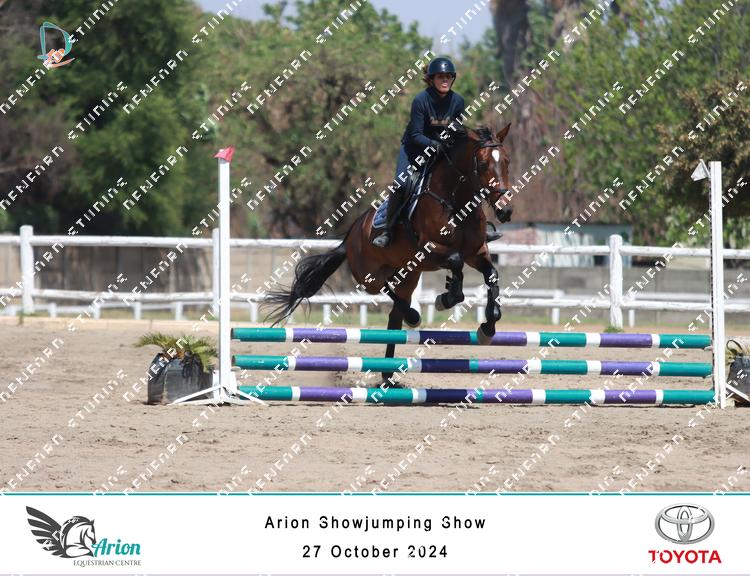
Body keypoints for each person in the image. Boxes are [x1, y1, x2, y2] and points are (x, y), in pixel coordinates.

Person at [371, 57, 465, 248]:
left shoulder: (458, 101)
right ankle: (388, 230)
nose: (445, 80)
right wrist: (434, 145)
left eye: (448, 76)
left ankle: (476, 226)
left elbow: (456, 130)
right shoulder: (421, 100)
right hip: (414, 150)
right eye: (440, 77)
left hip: (441, 151)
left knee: (464, 179)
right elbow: (415, 135)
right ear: (431, 79)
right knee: (401, 184)